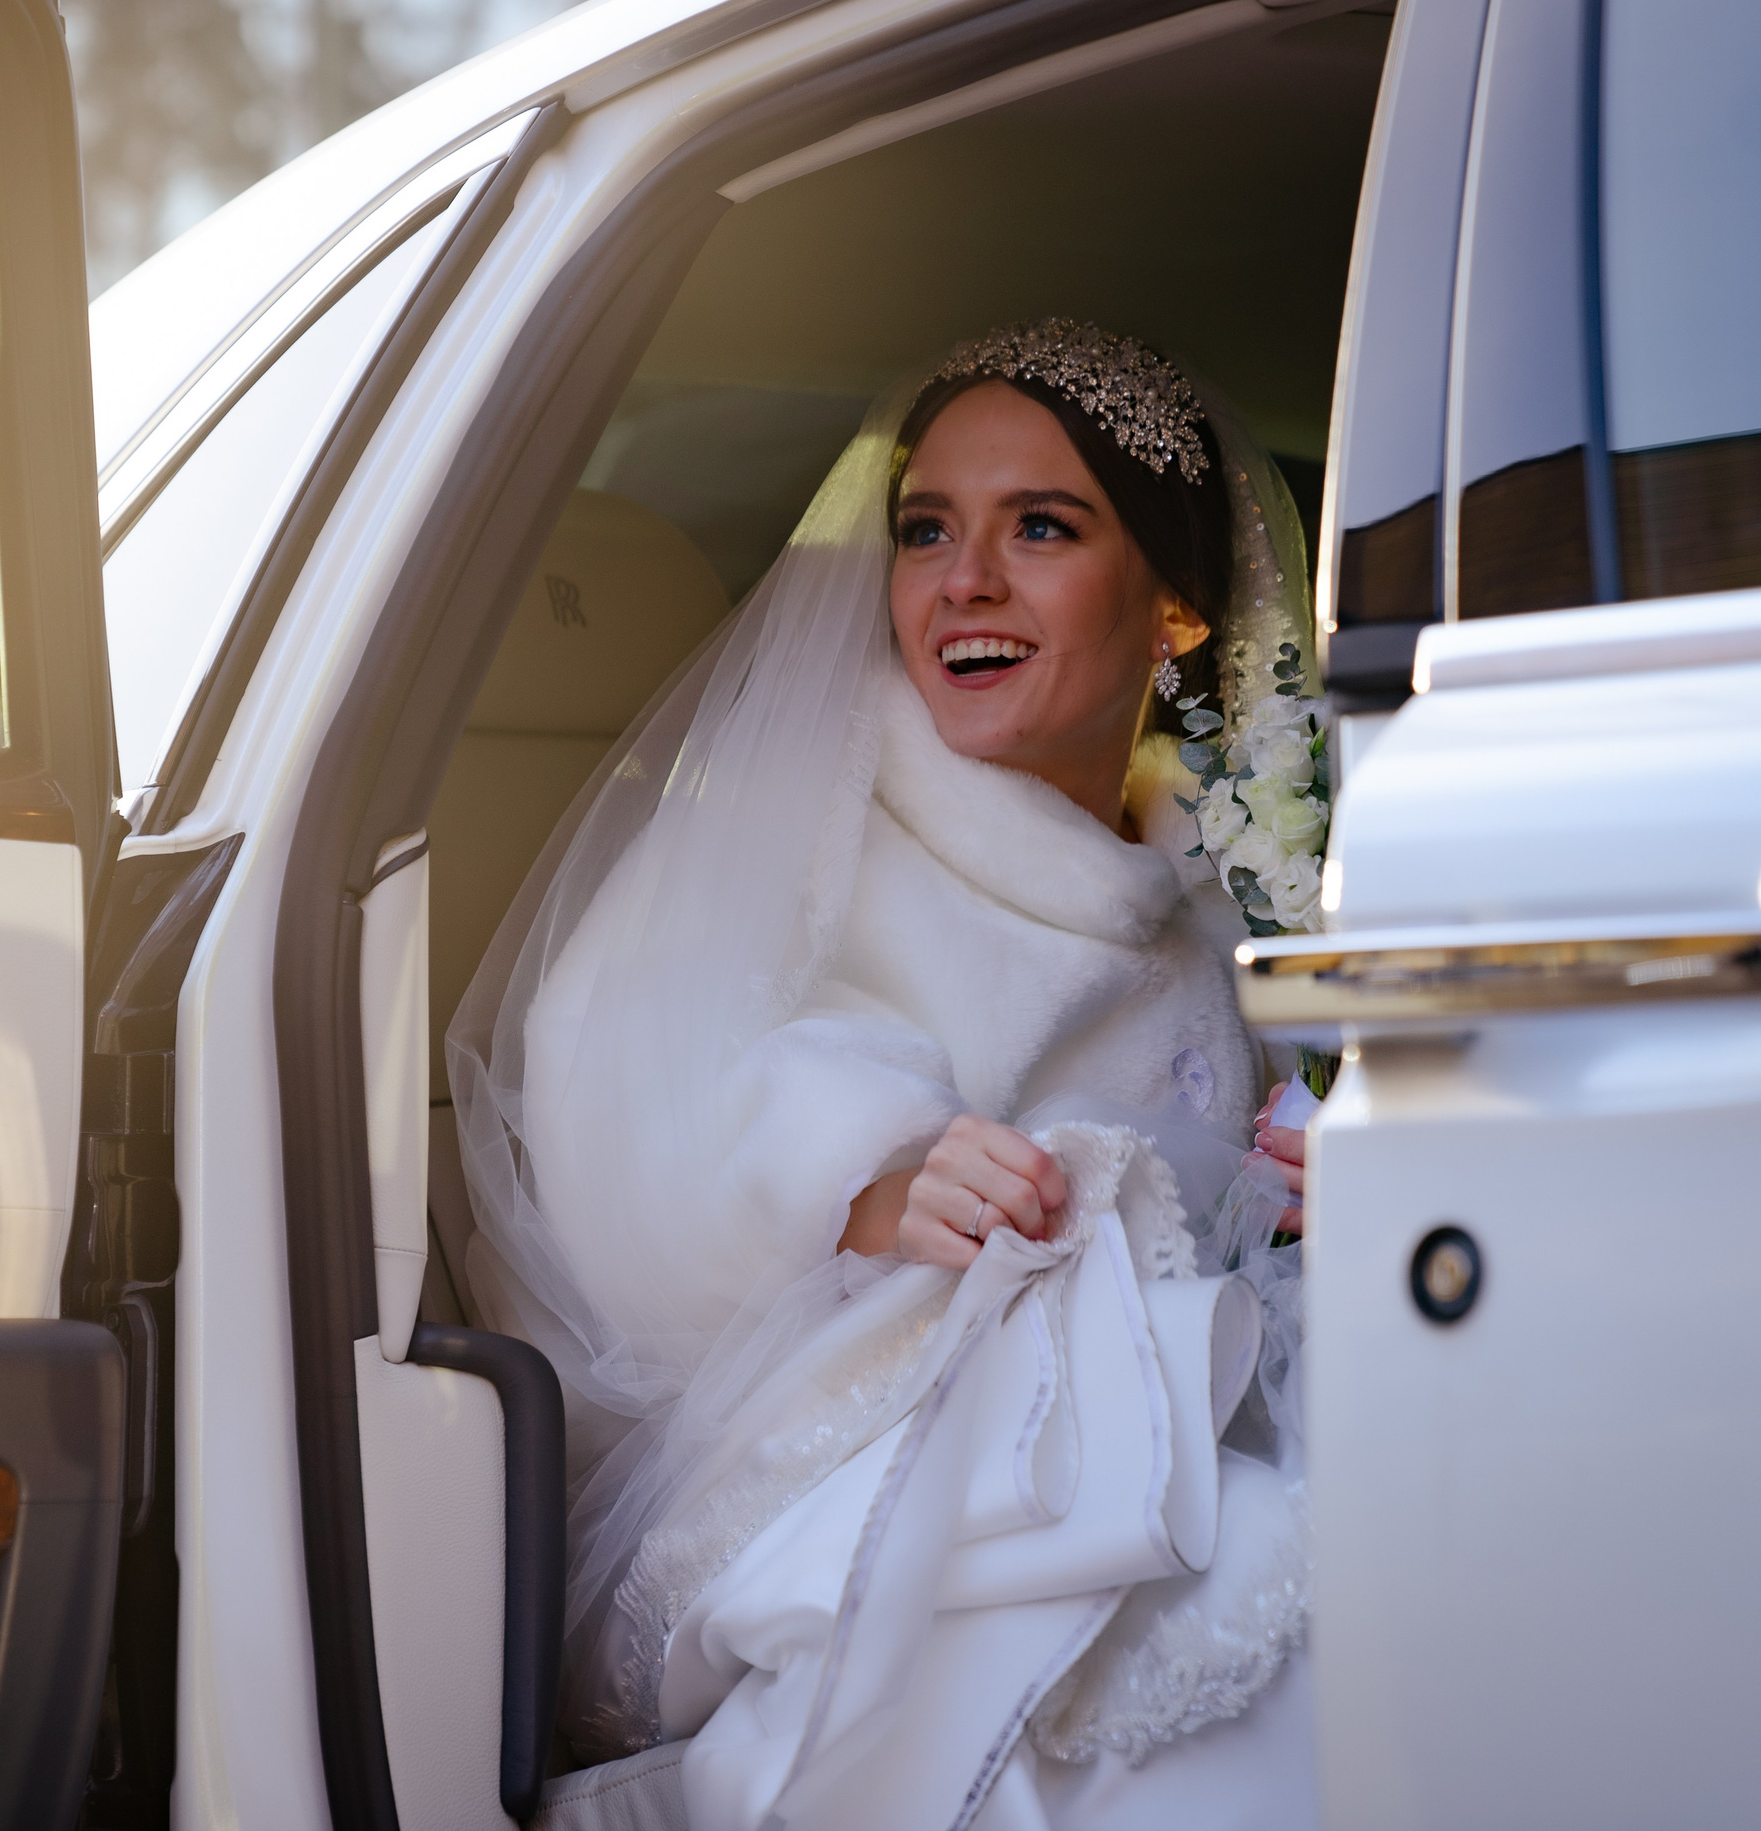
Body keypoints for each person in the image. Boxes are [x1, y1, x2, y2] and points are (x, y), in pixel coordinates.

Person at [450, 320, 1321, 1830]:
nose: (961, 581)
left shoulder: (1199, 914)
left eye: (1038, 528)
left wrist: (1288, 1195)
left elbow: (1201, 1224)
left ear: (1176, 605)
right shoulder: (798, 828)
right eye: (927, 530)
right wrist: (871, 1178)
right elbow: (613, 1082)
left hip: (1157, 1453)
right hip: (863, 1473)